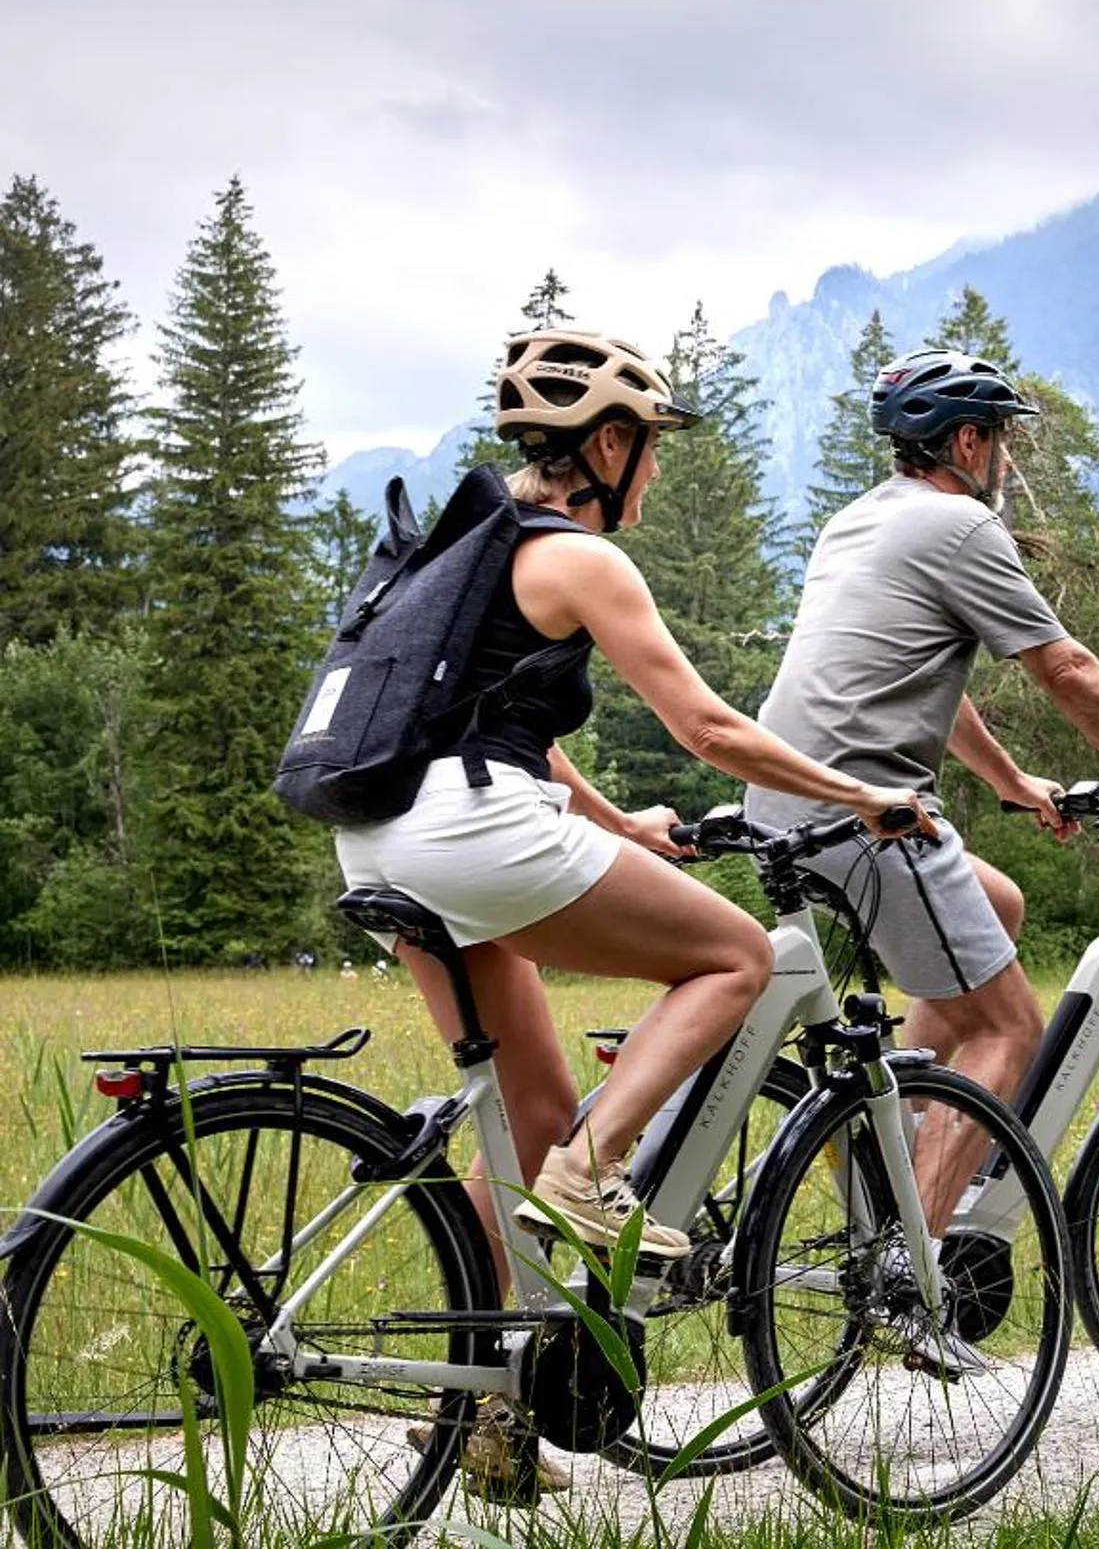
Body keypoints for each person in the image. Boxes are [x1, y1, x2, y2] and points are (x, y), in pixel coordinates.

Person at [334, 331, 936, 1493]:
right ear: (605, 445)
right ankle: (594, 1178)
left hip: (381, 834)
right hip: (471, 832)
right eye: (649, 450)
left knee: (533, 1119)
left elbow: (505, 726)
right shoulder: (580, 560)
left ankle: (490, 1406)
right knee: (736, 955)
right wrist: (863, 791)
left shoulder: (463, 539)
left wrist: (616, 828)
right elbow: (708, 728)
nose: (652, 474)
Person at [743, 349, 1099, 1246]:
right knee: (1010, 1030)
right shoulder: (961, 526)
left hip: (784, 797)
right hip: (867, 812)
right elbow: (1064, 665)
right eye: (1001, 440)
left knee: (998, 901)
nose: (1005, 460)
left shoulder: (857, 523)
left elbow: (926, 673)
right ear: (967, 441)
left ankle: (898, 1126)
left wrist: (1009, 782)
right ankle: (906, 1266)